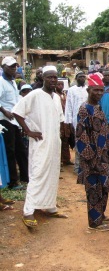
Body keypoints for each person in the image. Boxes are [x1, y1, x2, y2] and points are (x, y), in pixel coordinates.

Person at [13, 65, 67, 228]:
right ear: (43, 78)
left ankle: (50, 206)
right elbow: (17, 112)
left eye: (55, 77)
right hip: (40, 143)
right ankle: (28, 211)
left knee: (52, 174)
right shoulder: (35, 94)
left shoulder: (56, 97)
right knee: (37, 175)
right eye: (49, 77)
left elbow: (60, 119)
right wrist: (28, 131)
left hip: (54, 143)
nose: (52, 80)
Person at [76, 73, 109, 232]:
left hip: (105, 156)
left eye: (101, 90)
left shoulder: (98, 107)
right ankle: (94, 223)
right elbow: (81, 135)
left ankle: (101, 214)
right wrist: (91, 158)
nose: (99, 93)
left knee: (104, 187)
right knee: (93, 189)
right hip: (92, 158)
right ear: (88, 90)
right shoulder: (84, 109)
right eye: (96, 90)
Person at [0, 56, 28, 189]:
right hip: (5, 121)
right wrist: (4, 111)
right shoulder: (1, 81)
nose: (14, 69)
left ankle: (25, 177)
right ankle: (12, 182)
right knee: (10, 150)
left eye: (15, 66)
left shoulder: (12, 81)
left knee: (20, 149)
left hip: (14, 120)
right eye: (11, 66)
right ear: (3, 67)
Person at [65, 70, 88, 173]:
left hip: (88, 120)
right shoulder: (71, 90)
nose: (82, 78)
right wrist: (69, 122)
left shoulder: (88, 89)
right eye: (80, 77)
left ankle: (86, 167)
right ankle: (78, 168)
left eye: (83, 76)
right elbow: (69, 106)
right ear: (76, 78)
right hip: (76, 121)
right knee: (78, 144)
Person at [55, 80, 73, 166]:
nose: (60, 86)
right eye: (58, 84)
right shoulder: (54, 95)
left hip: (66, 120)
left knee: (66, 140)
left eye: (61, 84)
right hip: (59, 120)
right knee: (59, 140)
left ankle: (66, 159)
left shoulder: (65, 94)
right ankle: (60, 160)